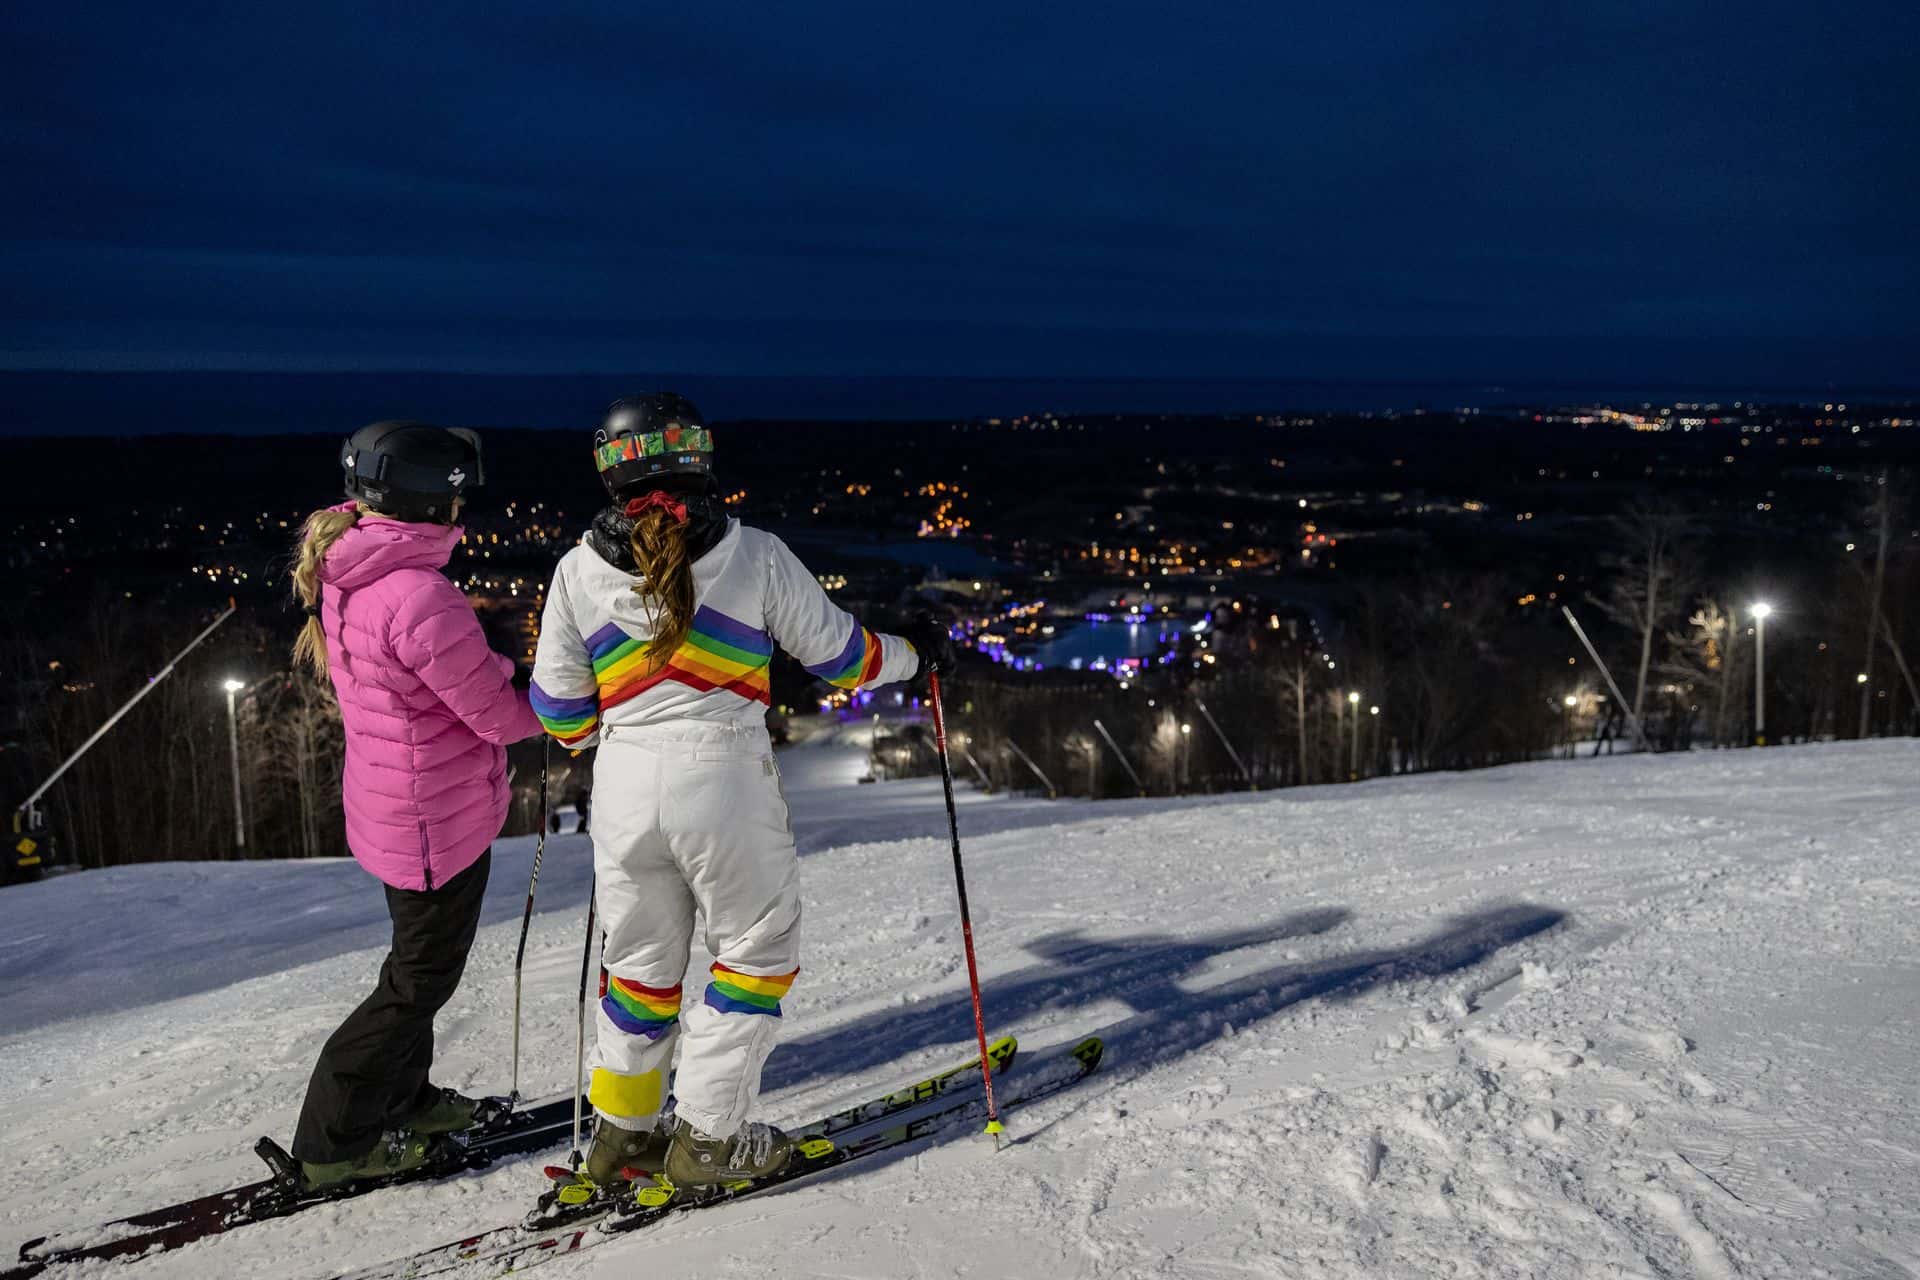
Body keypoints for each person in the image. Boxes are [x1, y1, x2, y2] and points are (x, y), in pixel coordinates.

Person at [531, 393, 951, 1194]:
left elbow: (557, 711)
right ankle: (713, 1138)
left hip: (622, 788)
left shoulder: (574, 570)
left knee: (639, 972)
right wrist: (918, 653)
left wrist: (597, 742)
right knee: (754, 958)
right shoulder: (753, 554)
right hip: (723, 777)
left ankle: (623, 1133)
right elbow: (843, 660)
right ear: (700, 457)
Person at [286, 421, 543, 1189]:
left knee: (416, 970)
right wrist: (567, 706)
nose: (464, 510)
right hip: (434, 820)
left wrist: (491, 667)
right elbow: (498, 715)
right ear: (434, 500)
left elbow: (421, 682)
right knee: (417, 983)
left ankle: (406, 1098)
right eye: (459, 495)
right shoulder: (419, 592)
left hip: (397, 802)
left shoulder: (351, 564)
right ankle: (334, 1143)